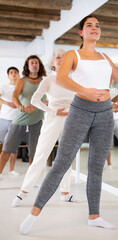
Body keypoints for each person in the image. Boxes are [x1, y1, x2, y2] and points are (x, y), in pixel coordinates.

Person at [19, 15, 118, 235]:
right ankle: (33, 213)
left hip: (104, 113)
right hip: (80, 110)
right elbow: (62, 78)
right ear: (81, 33)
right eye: (89, 26)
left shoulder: (104, 57)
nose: (94, 28)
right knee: (61, 163)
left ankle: (95, 216)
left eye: (97, 26)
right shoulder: (74, 55)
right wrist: (85, 91)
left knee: (96, 168)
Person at [11, 49, 78, 207]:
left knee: (67, 157)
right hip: (53, 119)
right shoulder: (49, 79)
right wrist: (54, 111)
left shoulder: (73, 81)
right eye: (58, 58)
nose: (61, 60)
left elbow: (81, 100)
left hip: (70, 121)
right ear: (52, 62)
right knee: (40, 156)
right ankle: (23, 192)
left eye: (64, 58)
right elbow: (35, 100)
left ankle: (65, 192)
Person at [0, 55, 46, 179]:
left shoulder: (44, 81)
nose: (34, 65)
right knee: (7, 148)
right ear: (27, 66)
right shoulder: (21, 80)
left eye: (36, 62)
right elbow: (15, 96)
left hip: (36, 121)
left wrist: (44, 106)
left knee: (34, 152)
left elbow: (46, 99)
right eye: (32, 63)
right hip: (19, 120)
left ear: (39, 65)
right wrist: (21, 107)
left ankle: (32, 178)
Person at [0, 67, 20, 177]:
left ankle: (11, 169)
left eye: (15, 72)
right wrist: (7, 103)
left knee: (13, 147)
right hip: (3, 119)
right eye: (11, 73)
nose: (13, 74)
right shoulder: (4, 87)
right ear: (8, 76)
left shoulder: (21, 87)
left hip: (16, 121)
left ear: (18, 75)